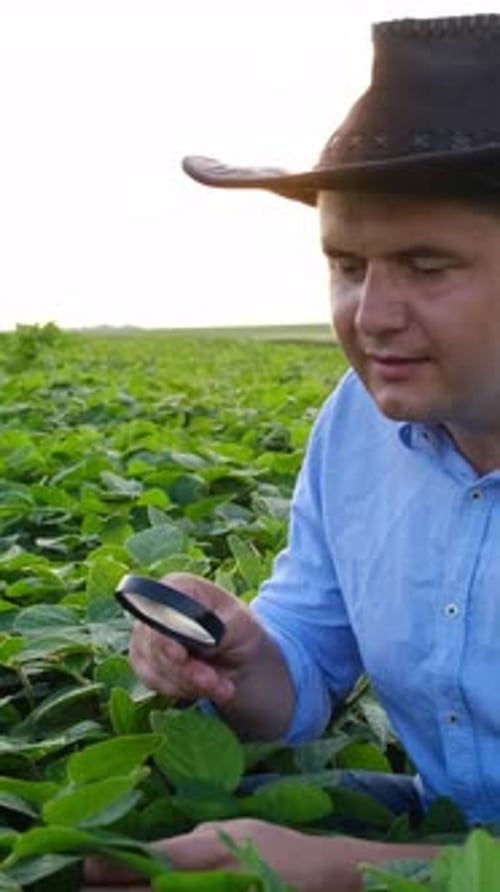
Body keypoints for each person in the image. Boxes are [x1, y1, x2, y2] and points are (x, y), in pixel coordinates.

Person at [86, 13, 500, 891]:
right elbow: (302, 671)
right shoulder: (358, 424)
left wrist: (350, 871)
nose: (370, 315)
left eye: (427, 266)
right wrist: (238, 659)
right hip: (446, 813)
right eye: (347, 264)